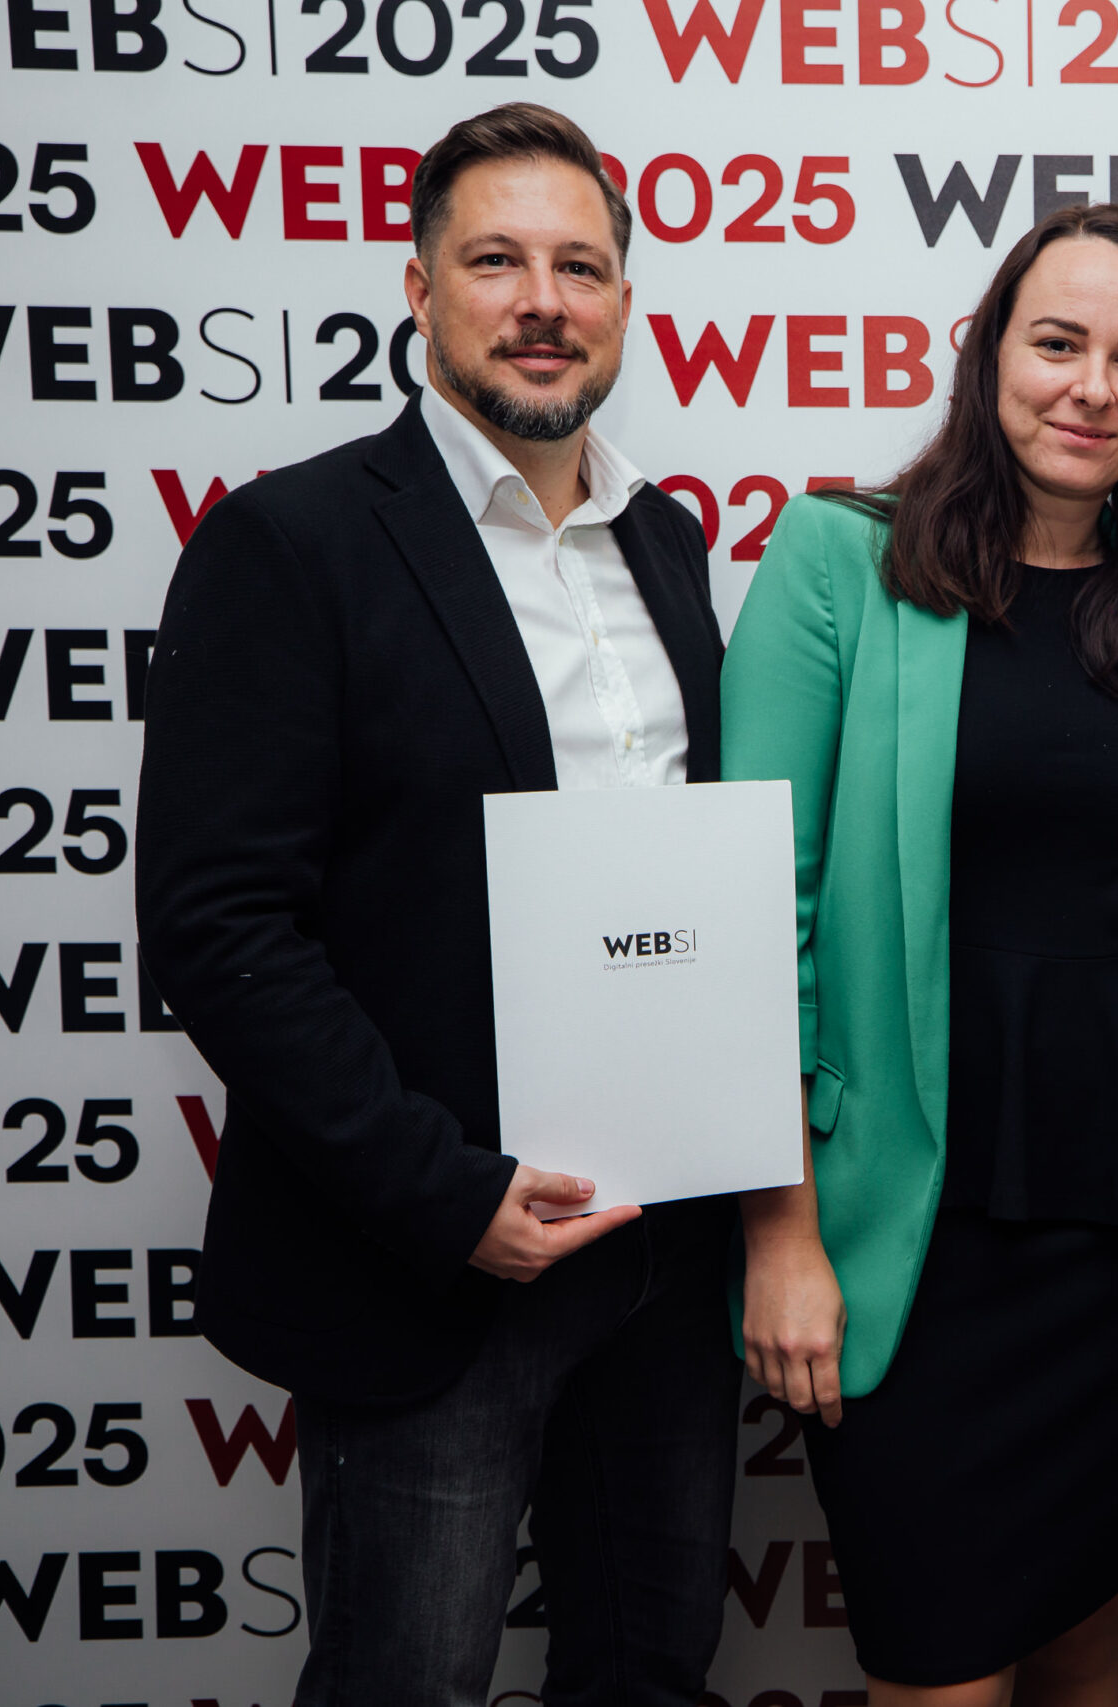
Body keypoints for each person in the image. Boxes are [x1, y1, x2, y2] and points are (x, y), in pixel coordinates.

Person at [134, 105, 736, 1705]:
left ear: (624, 302)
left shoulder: (667, 543)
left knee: (650, 1678)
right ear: (417, 289)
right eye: (496, 262)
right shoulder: (293, 542)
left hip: (662, 1261)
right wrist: (444, 1193)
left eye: (580, 268)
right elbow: (218, 926)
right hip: (425, 1263)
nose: (543, 302)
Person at [722, 203, 1118, 1707]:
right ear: (987, 354)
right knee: (940, 1671)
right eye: (1058, 343)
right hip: (910, 1237)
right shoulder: (840, 558)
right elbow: (758, 914)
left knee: (1088, 1666)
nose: (1094, 387)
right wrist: (780, 1232)